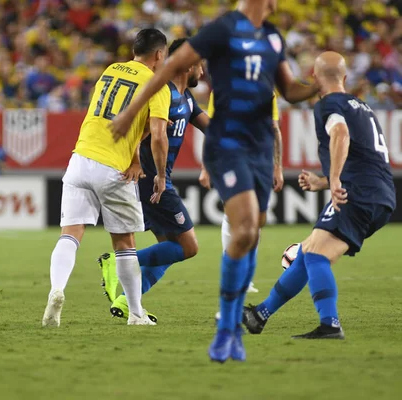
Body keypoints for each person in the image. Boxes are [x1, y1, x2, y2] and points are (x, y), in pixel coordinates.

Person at [109, 0, 318, 362]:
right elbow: (166, 71)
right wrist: (129, 113)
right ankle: (225, 329)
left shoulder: (271, 37)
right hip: (227, 150)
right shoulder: (220, 31)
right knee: (236, 232)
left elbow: (289, 91)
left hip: (256, 148)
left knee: (248, 234)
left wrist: (320, 86)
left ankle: (134, 291)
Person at [243, 52, 396, 339]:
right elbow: (364, 158)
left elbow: (340, 134)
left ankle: (330, 325)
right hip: (380, 193)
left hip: (357, 193)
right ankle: (259, 314)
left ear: (313, 77)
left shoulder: (329, 105)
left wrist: (335, 179)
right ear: (345, 78)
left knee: (314, 254)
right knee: (308, 251)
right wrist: (323, 181)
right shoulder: (361, 106)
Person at [42, 28, 171, 327]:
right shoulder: (157, 84)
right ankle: (137, 314)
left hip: (80, 158)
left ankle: (57, 290)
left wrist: (135, 154)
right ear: (160, 54)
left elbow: (108, 116)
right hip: (112, 168)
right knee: (125, 243)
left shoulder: (111, 70)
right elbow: (159, 135)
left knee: (69, 234)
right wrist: (160, 174)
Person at [96, 38, 208, 322]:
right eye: (200, 65)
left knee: (169, 250)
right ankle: (115, 261)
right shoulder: (164, 93)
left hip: (156, 180)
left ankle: (126, 302)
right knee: (189, 247)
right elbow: (140, 131)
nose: (203, 73)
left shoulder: (186, 98)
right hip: (152, 180)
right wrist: (141, 165)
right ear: (188, 65)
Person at [199, 91, 284, 295]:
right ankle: (234, 275)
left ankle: (244, 277)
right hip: (231, 160)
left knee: (254, 219)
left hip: (257, 162)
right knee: (234, 213)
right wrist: (206, 167)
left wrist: (277, 167)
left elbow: (274, 129)